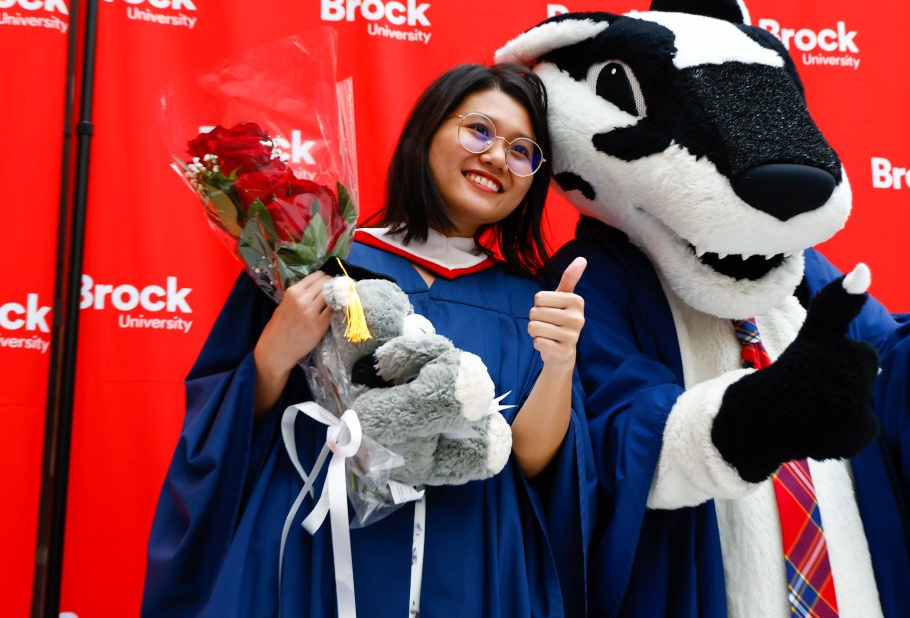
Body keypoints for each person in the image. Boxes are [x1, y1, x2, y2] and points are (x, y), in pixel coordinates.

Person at [143, 64, 594, 617]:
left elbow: (525, 460)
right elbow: (226, 424)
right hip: (317, 546)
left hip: (466, 557)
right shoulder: (321, 256)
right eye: (479, 130)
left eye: (522, 151)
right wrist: (274, 353)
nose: (498, 157)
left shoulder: (526, 300)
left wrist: (559, 361)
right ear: (428, 130)